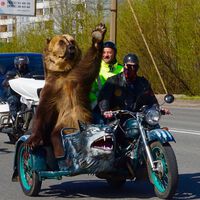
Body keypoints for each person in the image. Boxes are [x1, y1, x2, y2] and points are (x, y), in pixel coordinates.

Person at [96, 53, 159, 121]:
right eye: (129, 66)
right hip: (117, 118)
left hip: (138, 118)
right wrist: (105, 111)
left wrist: (156, 108)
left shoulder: (143, 82)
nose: (132, 69)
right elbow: (104, 97)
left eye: (134, 66)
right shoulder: (113, 81)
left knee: (155, 127)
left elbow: (151, 99)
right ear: (124, 66)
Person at [90, 41, 123, 108]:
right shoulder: (94, 68)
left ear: (115, 53)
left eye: (109, 52)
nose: (106, 55)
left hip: (117, 108)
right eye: (104, 52)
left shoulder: (122, 69)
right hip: (97, 107)